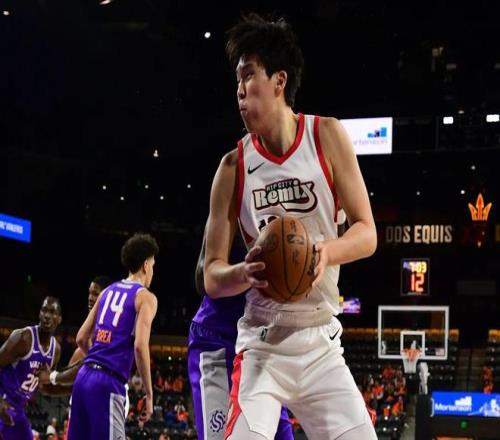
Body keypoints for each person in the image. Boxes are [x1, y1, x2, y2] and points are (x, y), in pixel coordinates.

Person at [204, 13, 377, 440]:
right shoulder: (232, 167)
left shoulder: (326, 135)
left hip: (320, 342)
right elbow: (211, 276)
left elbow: (367, 232)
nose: (239, 90)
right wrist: (243, 272)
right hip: (262, 344)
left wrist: (326, 252)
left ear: (279, 81)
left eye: (249, 75)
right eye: (237, 80)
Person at [188, 225, 293, 440]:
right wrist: (247, 272)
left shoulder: (292, 221)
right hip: (218, 339)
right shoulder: (233, 211)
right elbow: (202, 279)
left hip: (261, 345)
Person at [67, 233, 159, 439]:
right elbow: (140, 346)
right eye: (153, 265)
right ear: (146, 265)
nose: (153, 271)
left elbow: (81, 337)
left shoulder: (106, 291)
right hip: (107, 384)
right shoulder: (146, 298)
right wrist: (149, 393)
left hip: (83, 378)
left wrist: (97, 358)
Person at [0, 296, 62, 440]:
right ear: (39, 314)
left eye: (52, 312)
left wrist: (70, 387)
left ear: (59, 319)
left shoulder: (56, 350)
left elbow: (45, 387)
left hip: (18, 408)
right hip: (3, 400)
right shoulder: (23, 338)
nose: (47, 315)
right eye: (44, 310)